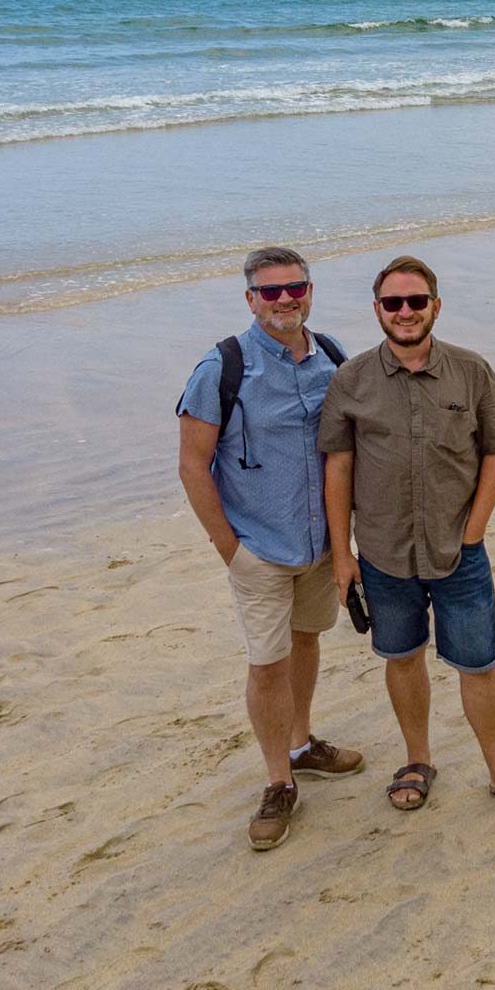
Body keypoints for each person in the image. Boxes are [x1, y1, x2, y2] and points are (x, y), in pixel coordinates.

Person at [322, 256, 495, 816]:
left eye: (416, 301)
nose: (405, 312)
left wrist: (474, 532)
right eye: (393, 303)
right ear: (377, 310)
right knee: (401, 657)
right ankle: (418, 759)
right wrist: (342, 555)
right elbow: (338, 466)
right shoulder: (350, 379)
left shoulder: (471, 371)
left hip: (458, 552)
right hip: (382, 553)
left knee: (479, 664)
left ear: (435, 306)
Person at [178, 246, 364, 851]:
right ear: (250, 299)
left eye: (296, 288)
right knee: (267, 661)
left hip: (319, 542)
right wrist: (229, 549)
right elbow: (192, 464)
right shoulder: (222, 368)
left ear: (310, 291)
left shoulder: (332, 356)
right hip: (257, 546)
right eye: (272, 291)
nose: (286, 300)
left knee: (307, 639)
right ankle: (279, 780)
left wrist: (346, 542)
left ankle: (303, 744)